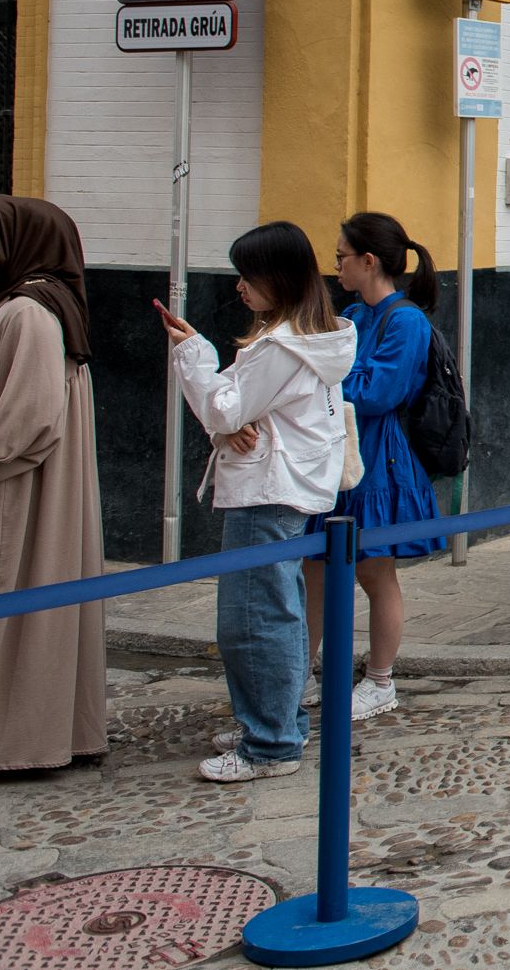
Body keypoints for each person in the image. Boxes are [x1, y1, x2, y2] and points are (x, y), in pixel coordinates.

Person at [164, 221, 357, 783]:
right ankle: (277, 720)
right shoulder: (308, 339)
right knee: (278, 609)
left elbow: (225, 406)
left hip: (268, 489)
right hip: (283, 484)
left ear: (277, 277)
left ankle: (270, 742)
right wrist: (233, 420)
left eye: (247, 276)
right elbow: (237, 410)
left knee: (253, 617)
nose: (239, 287)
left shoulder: (283, 345)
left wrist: (193, 355)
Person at [305, 212, 447, 725]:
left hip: (378, 458)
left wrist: (332, 372)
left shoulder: (405, 320)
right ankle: (303, 669)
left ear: (368, 261)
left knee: (373, 571)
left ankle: (380, 680)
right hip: (338, 456)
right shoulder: (354, 314)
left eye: (341, 256)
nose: (336, 264)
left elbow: (378, 391)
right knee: (314, 567)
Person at [0, 197, 103, 776]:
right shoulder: (43, 305)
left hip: (19, 494)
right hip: (36, 489)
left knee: (8, 603)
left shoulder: (27, 312)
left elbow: (24, 421)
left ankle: (6, 742)